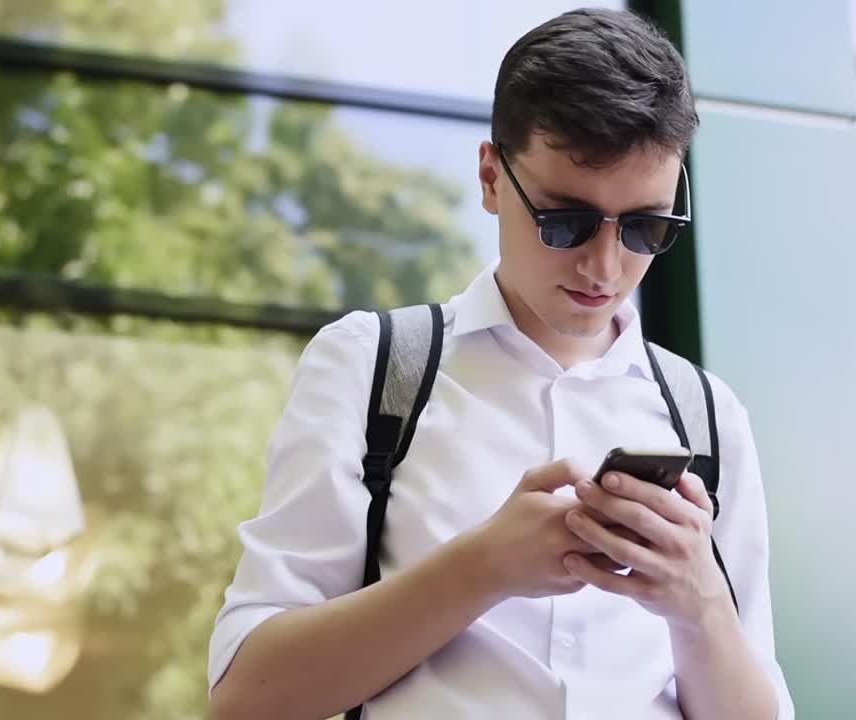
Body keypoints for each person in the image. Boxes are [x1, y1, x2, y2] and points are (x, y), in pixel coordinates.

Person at [208, 7, 794, 719]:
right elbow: (247, 696)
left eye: (645, 226)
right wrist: (483, 567)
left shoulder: (709, 418)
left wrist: (698, 602)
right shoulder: (374, 370)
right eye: (564, 221)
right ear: (491, 177)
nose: (604, 266)